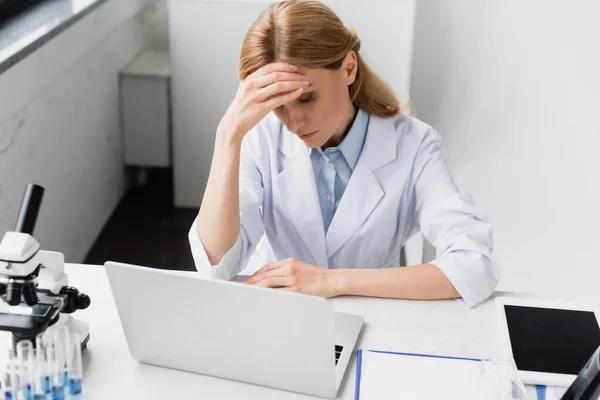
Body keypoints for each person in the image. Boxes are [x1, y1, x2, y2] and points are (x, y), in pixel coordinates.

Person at [188, 0, 499, 307]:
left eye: (307, 98)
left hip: (377, 319)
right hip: (277, 314)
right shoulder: (258, 138)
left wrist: (331, 281)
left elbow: (473, 266)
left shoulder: (413, 144)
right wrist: (227, 135)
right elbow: (215, 264)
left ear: (348, 68)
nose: (294, 123)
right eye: (278, 105)